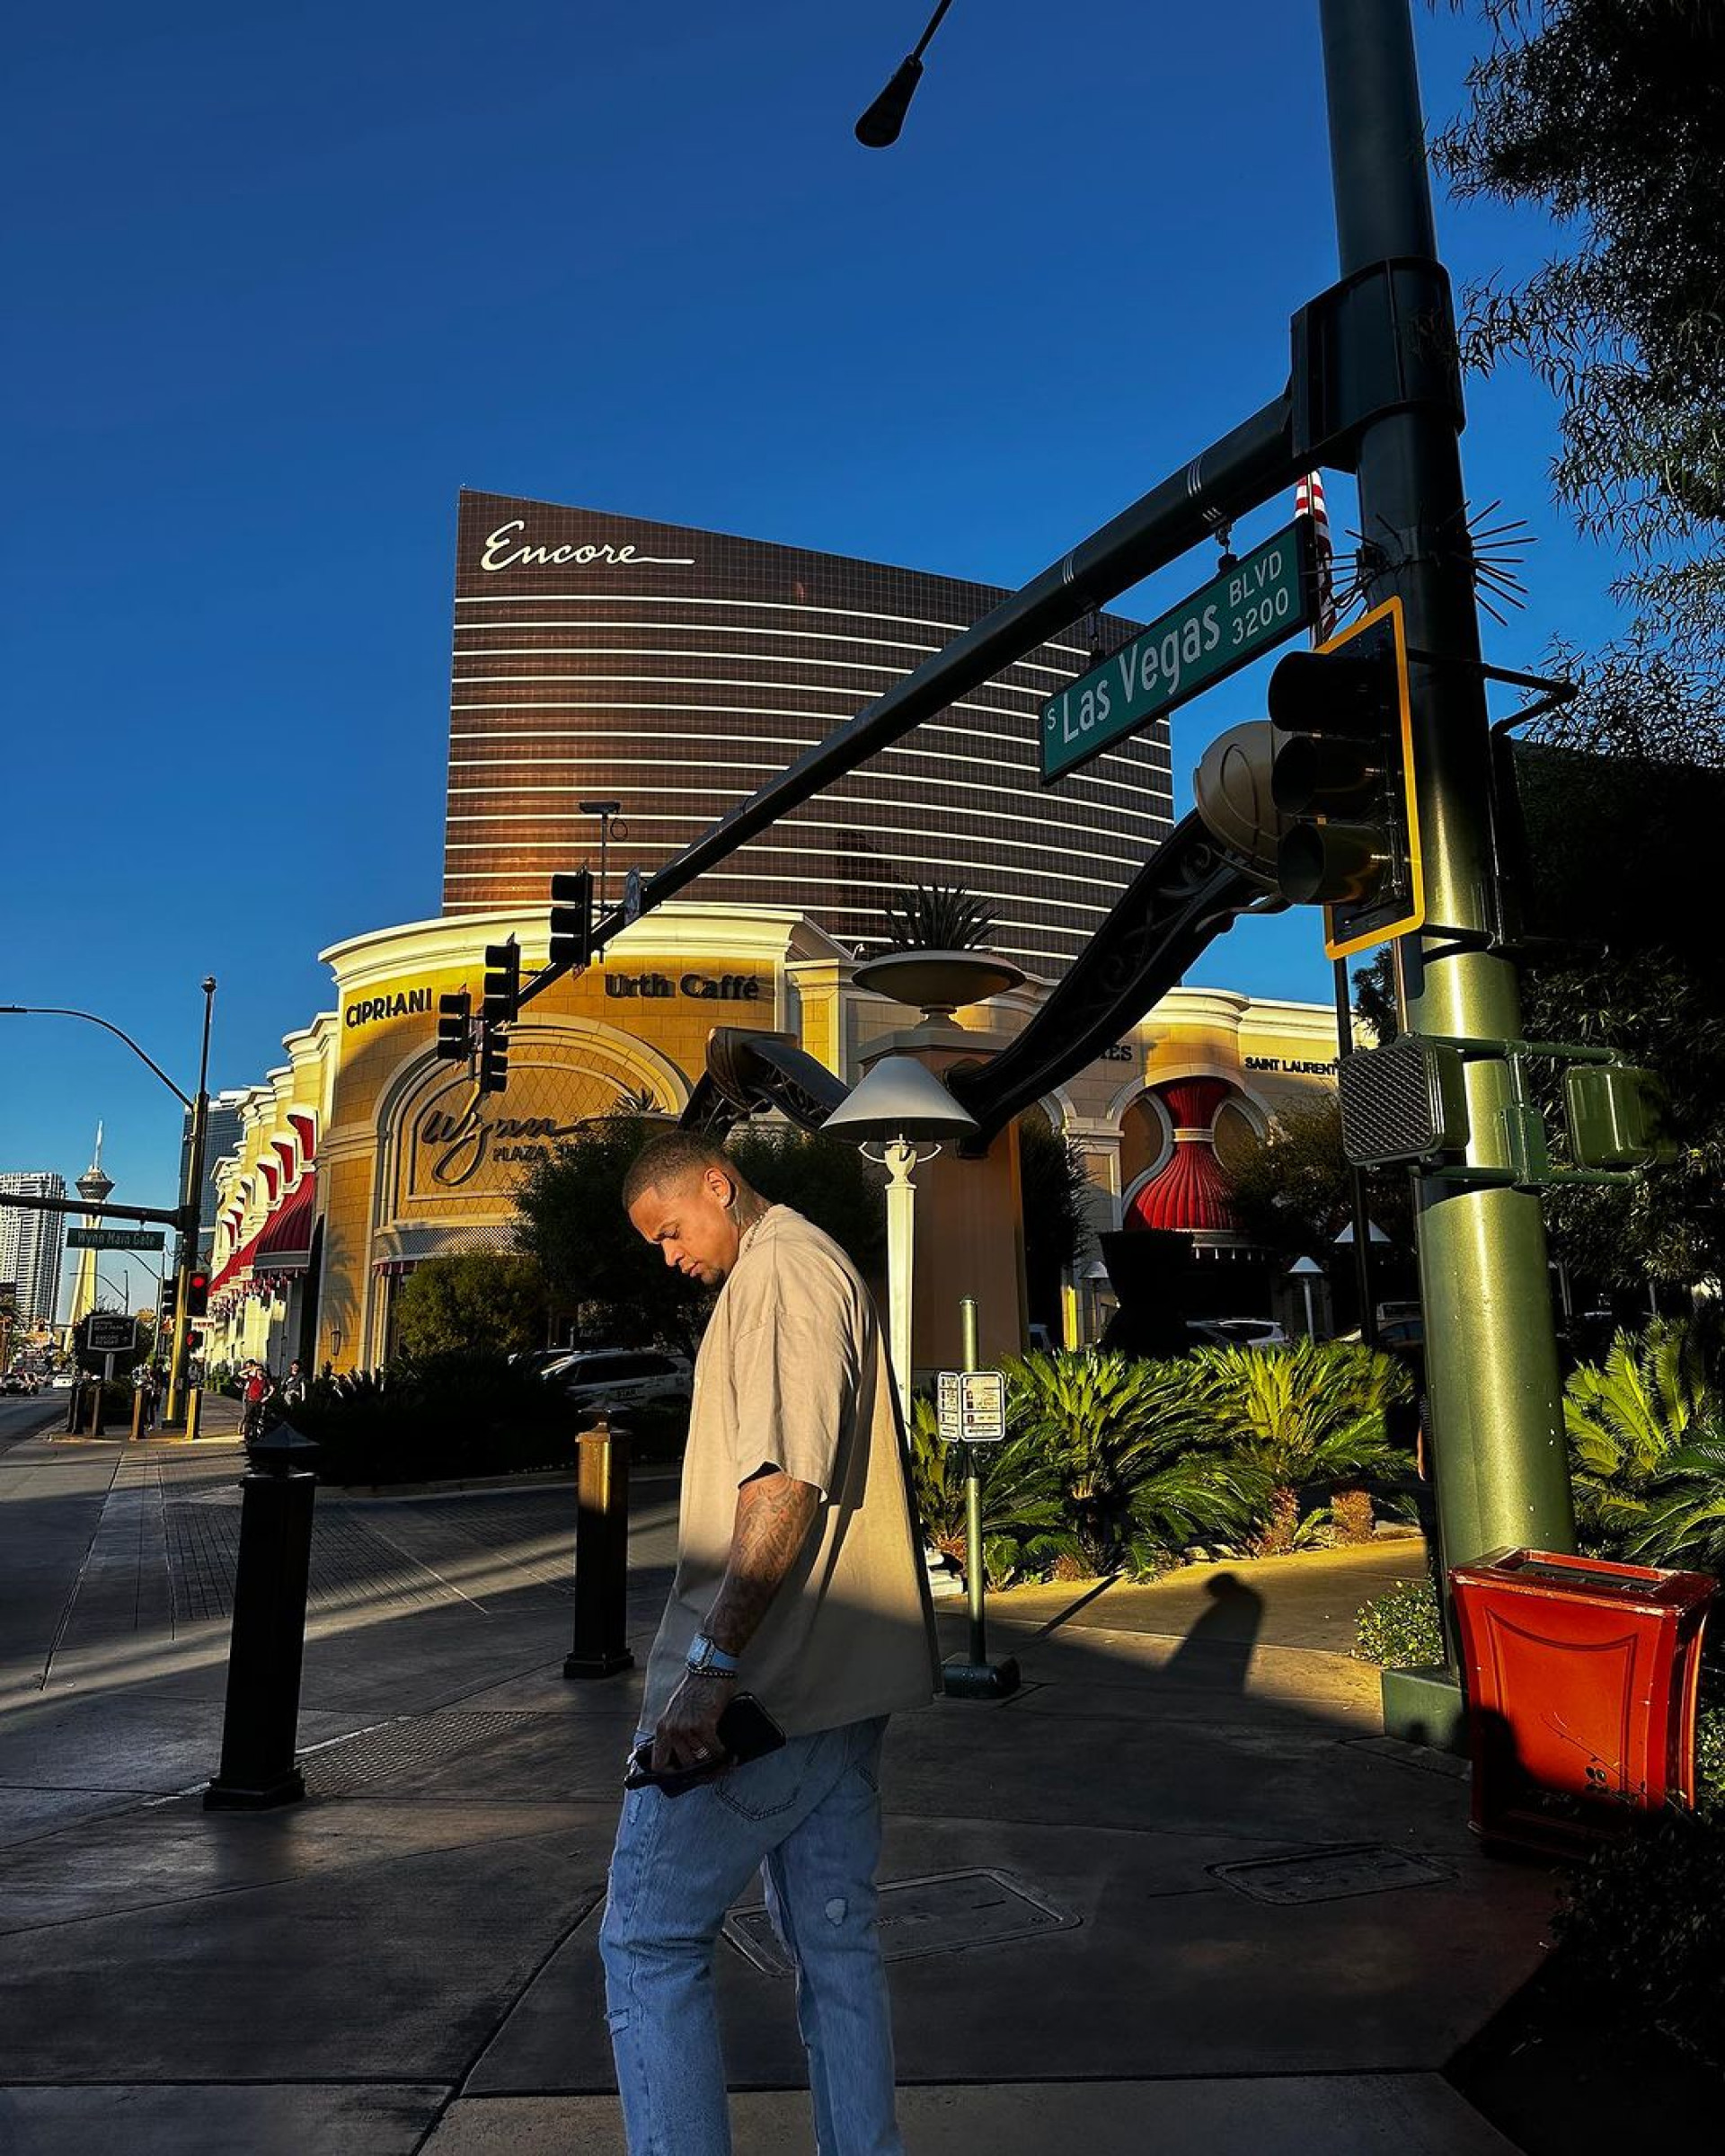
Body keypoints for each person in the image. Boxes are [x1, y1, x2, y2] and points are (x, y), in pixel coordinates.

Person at [601, 1130, 938, 2156]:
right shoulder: (803, 1263)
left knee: (647, 1941)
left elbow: (783, 1483)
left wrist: (708, 1673)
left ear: (718, 1183)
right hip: (835, 1689)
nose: (669, 1256)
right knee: (836, 1948)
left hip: (763, 1701)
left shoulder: (784, 1271)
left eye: (670, 1231)